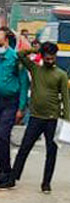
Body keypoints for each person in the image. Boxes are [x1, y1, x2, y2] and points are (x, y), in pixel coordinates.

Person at [0, 43, 70, 193]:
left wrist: (67, 120)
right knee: (24, 149)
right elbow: (20, 55)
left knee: (51, 152)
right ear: (43, 57)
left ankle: (46, 183)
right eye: (47, 58)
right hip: (35, 117)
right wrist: (36, 49)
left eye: (52, 58)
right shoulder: (35, 69)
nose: (50, 60)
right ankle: (12, 179)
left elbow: (65, 98)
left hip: (53, 118)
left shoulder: (61, 74)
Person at [0, 27, 29, 189]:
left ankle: (6, 171)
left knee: (3, 135)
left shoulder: (15, 57)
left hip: (10, 102)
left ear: (5, 38)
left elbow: (24, 83)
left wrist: (21, 107)